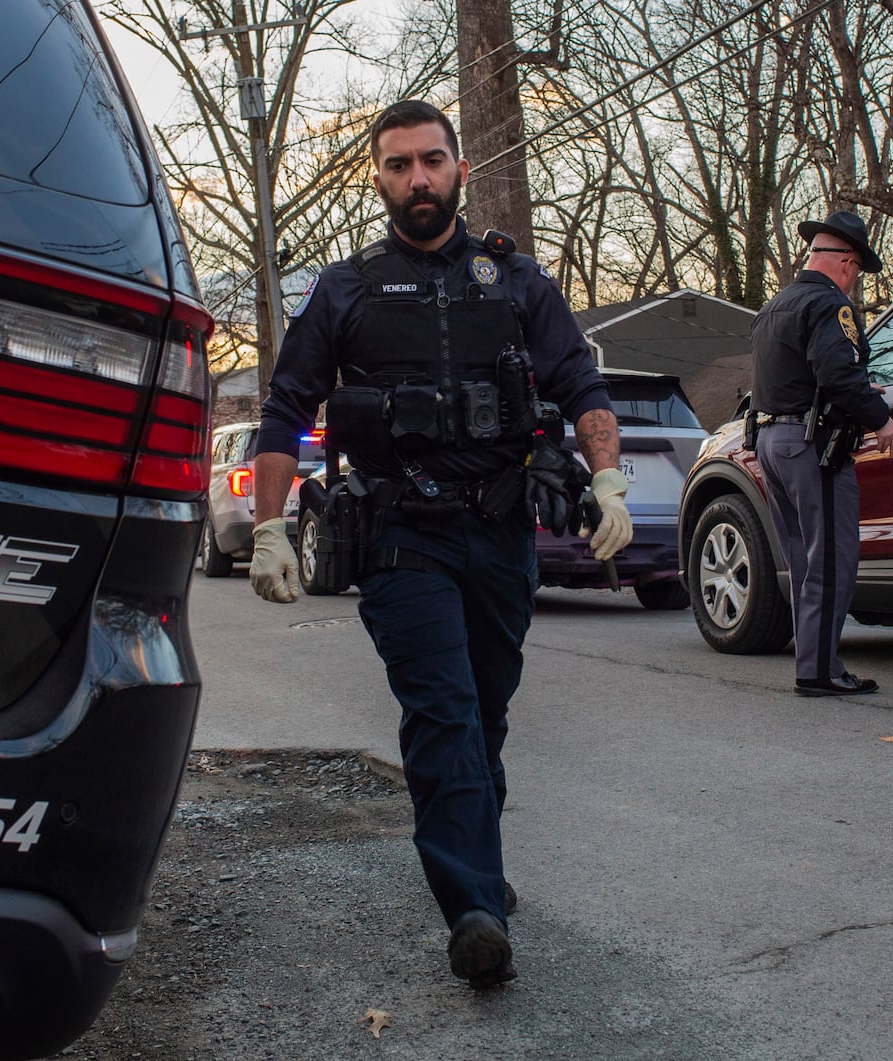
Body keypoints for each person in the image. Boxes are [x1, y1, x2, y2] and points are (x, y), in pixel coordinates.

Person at [244, 99, 632, 988]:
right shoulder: (344, 289)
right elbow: (284, 407)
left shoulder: (516, 280)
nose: (417, 177)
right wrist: (269, 526)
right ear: (377, 178)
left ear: (458, 168)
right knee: (444, 710)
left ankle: (479, 859)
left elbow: (580, 380)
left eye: (431, 160)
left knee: (486, 710)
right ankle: (472, 910)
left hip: (499, 531)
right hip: (398, 536)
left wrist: (607, 477)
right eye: (398, 164)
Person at [749, 209, 893, 696]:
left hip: (771, 441)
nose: (854, 281)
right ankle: (820, 670)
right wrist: (880, 418)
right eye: (856, 271)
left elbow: (800, 374)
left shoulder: (778, 304)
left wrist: (850, 388)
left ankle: (812, 662)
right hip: (812, 445)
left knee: (802, 556)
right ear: (847, 262)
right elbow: (836, 371)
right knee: (833, 557)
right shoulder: (830, 305)